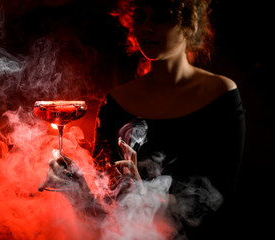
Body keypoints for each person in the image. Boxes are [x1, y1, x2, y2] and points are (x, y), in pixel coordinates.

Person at [39, 0, 245, 239]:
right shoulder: (115, 102)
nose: (146, 27)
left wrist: (144, 195)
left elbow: (218, 199)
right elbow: (105, 215)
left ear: (190, 24)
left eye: (160, 17)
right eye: (140, 17)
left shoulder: (220, 94)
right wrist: (78, 191)